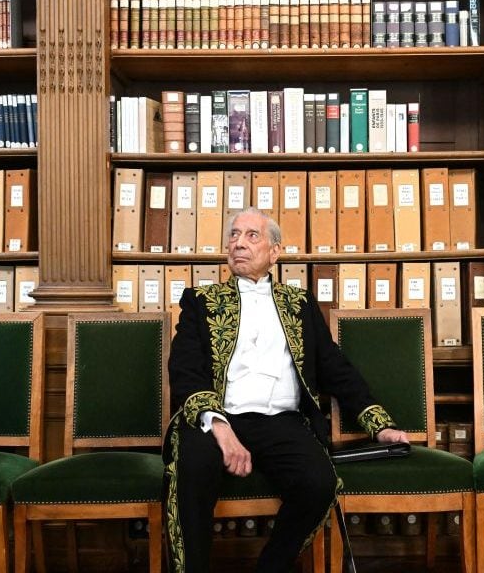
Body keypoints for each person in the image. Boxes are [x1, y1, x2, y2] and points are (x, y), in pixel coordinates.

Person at [162, 207, 409, 573]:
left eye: (251, 236)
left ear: (275, 252)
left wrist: (379, 424)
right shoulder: (199, 301)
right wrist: (218, 426)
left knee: (318, 483)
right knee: (193, 467)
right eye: (234, 235)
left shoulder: (301, 304)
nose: (238, 243)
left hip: (282, 422)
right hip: (218, 418)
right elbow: (185, 369)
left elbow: (335, 368)